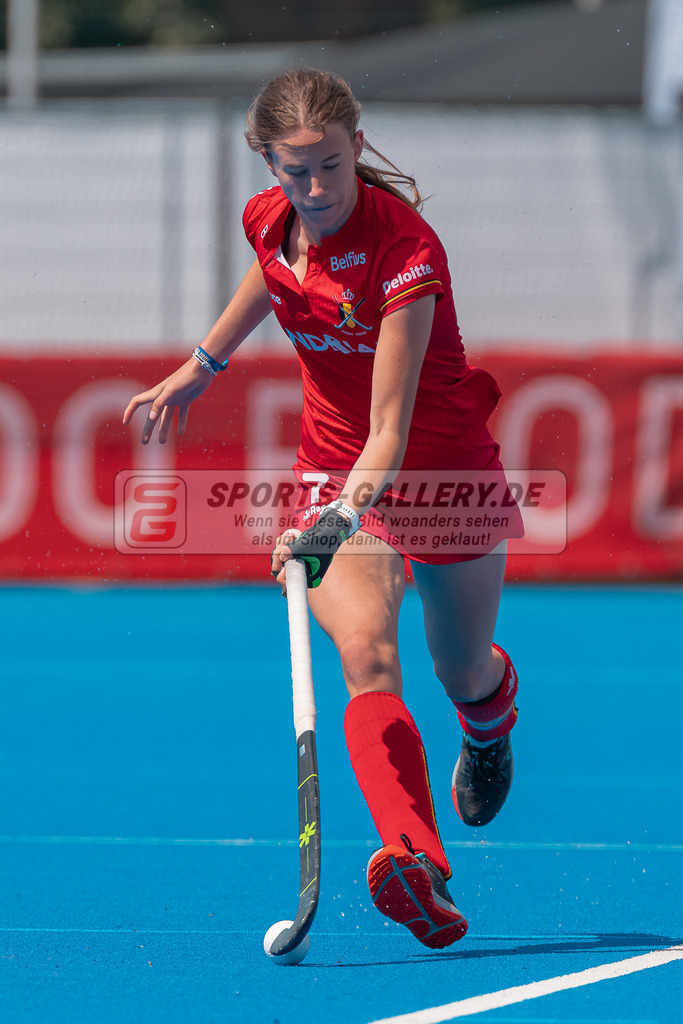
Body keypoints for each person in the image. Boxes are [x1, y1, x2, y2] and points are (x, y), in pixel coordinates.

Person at [123, 66, 522, 951]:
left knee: (458, 668)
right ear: (265, 161)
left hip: (437, 471)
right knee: (368, 655)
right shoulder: (270, 218)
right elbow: (271, 276)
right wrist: (203, 360)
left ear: (358, 147)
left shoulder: (407, 252)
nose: (313, 190)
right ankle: (414, 856)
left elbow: (389, 428)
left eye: (330, 168)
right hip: (329, 467)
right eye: (292, 170)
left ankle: (490, 718)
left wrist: (336, 522)